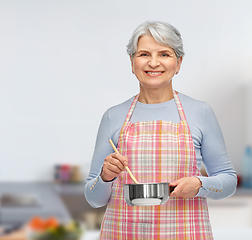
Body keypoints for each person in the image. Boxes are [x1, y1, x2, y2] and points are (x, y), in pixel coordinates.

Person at [84, 21, 237, 239]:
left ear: (178, 62)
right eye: (144, 54)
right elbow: (93, 198)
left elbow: (228, 181)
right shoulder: (113, 116)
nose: (153, 63)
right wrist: (105, 176)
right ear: (132, 61)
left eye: (164, 54)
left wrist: (200, 184)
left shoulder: (200, 112)